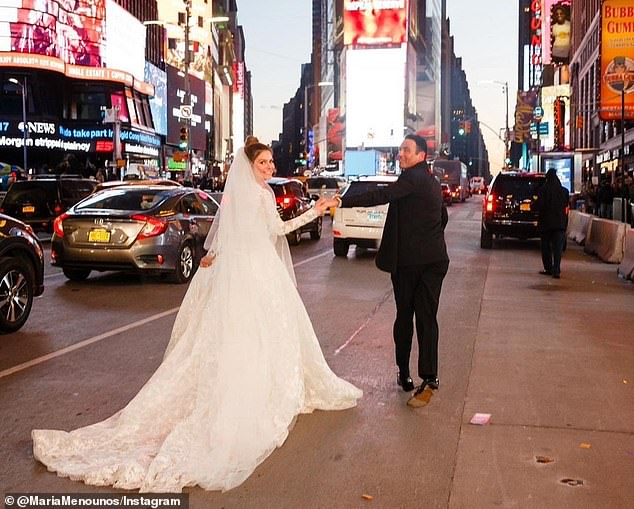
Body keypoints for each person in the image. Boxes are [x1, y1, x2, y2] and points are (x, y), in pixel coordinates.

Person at [31, 137, 362, 492]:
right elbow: (275, 230)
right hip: (257, 272)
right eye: (263, 163)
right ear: (249, 164)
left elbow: (228, 234)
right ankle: (260, 390)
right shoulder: (260, 196)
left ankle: (259, 382)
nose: (269, 168)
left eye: (270, 163)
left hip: (243, 271)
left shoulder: (242, 196)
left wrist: (214, 255)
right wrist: (317, 210)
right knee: (258, 333)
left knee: (246, 334)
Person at [336, 134, 449, 408]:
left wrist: (342, 201)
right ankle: (425, 376)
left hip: (412, 263)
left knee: (407, 317)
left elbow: (381, 195)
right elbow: (442, 216)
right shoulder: (431, 182)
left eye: (406, 151)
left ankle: (409, 374)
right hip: (433, 259)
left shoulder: (412, 179)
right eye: (400, 150)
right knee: (426, 318)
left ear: (421, 155)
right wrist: (426, 237)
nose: (401, 154)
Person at [536, 168, 570, 279]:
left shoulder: (542, 190)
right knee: (557, 249)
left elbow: (539, 206)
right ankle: (556, 270)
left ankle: (548, 268)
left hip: (546, 224)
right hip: (560, 225)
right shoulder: (564, 192)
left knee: (546, 248)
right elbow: (566, 207)